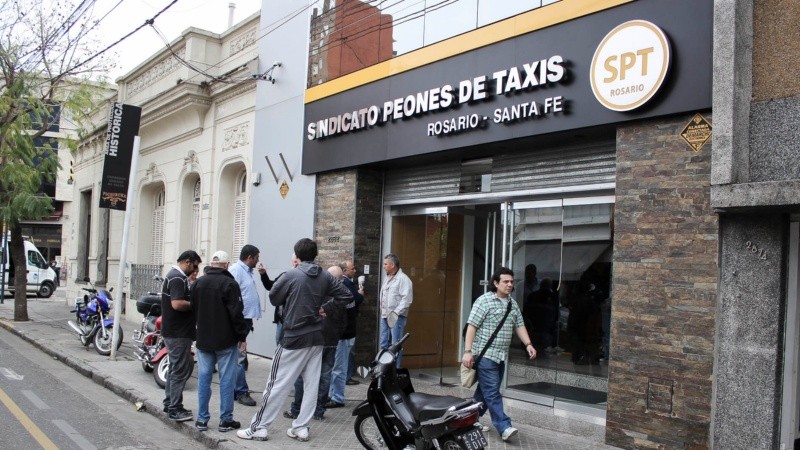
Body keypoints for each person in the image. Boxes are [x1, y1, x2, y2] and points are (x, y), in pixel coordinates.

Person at [237, 238, 352, 442]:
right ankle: (301, 427)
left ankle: (259, 427)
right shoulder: (325, 276)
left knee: (276, 383)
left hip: (294, 336)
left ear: (297, 255)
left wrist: (316, 305)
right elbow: (346, 296)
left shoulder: (291, 275)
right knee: (311, 385)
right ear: (315, 254)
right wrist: (325, 308)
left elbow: (273, 298)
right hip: (317, 337)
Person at [462, 267, 536, 442]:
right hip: (485, 355)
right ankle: (504, 426)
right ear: (496, 283)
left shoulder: (512, 304)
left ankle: (467, 420)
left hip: (501, 356)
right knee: (493, 392)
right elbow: (471, 326)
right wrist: (467, 352)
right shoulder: (484, 301)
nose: (510, 284)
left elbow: (519, 325)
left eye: (511, 281)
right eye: (506, 281)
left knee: (484, 393)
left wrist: (528, 344)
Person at [190, 250, 250, 433]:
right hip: (225, 340)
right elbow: (236, 313)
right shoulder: (229, 283)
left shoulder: (198, 283)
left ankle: (202, 420)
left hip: (204, 340)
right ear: (226, 265)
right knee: (226, 380)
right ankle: (225, 420)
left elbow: (193, 308)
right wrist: (242, 336)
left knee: (204, 380)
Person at [285, 266, 347, 420]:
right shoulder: (341, 296)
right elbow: (344, 321)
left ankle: (297, 409)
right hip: (331, 340)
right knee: (325, 377)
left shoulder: (316, 291)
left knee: (303, 375)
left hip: (314, 339)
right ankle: (318, 411)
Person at [227, 244, 275, 407]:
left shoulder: (246, 272)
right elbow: (231, 298)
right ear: (249, 257)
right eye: (257, 257)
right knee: (239, 357)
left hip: (244, 320)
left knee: (239, 357)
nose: (258, 261)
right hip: (239, 320)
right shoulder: (236, 271)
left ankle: (236, 390)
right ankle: (240, 391)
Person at [161, 250, 202, 422]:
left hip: (174, 331)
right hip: (178, 332)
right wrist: (195, 304)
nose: (195, 270)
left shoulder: (173, 276)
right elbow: (177, 304)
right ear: (187, 261)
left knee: (174, 368)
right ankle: (175, 408)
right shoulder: (177, 278)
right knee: (179, 370)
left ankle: (169, 402)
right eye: (194, 265)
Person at [329, 260, 365, 404]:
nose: (354, 271)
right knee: (338, 367)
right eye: (352, 268)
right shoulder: (348, 288)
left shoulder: (343, 288)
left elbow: (348, 308)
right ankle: (334, 395)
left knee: (338, 368)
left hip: (343, 335)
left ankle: (337, 397)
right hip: (346, 333)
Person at [379, 253, 413, 368]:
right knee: (384, 343)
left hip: (396, 317)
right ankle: (383, 369)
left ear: (392, 265)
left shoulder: (403, 279)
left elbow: (407, 299)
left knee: (396, 344)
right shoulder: (387, 277)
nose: (383, 266)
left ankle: (395, 371)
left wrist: (396, 312)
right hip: (384, 315)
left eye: (385, 264)